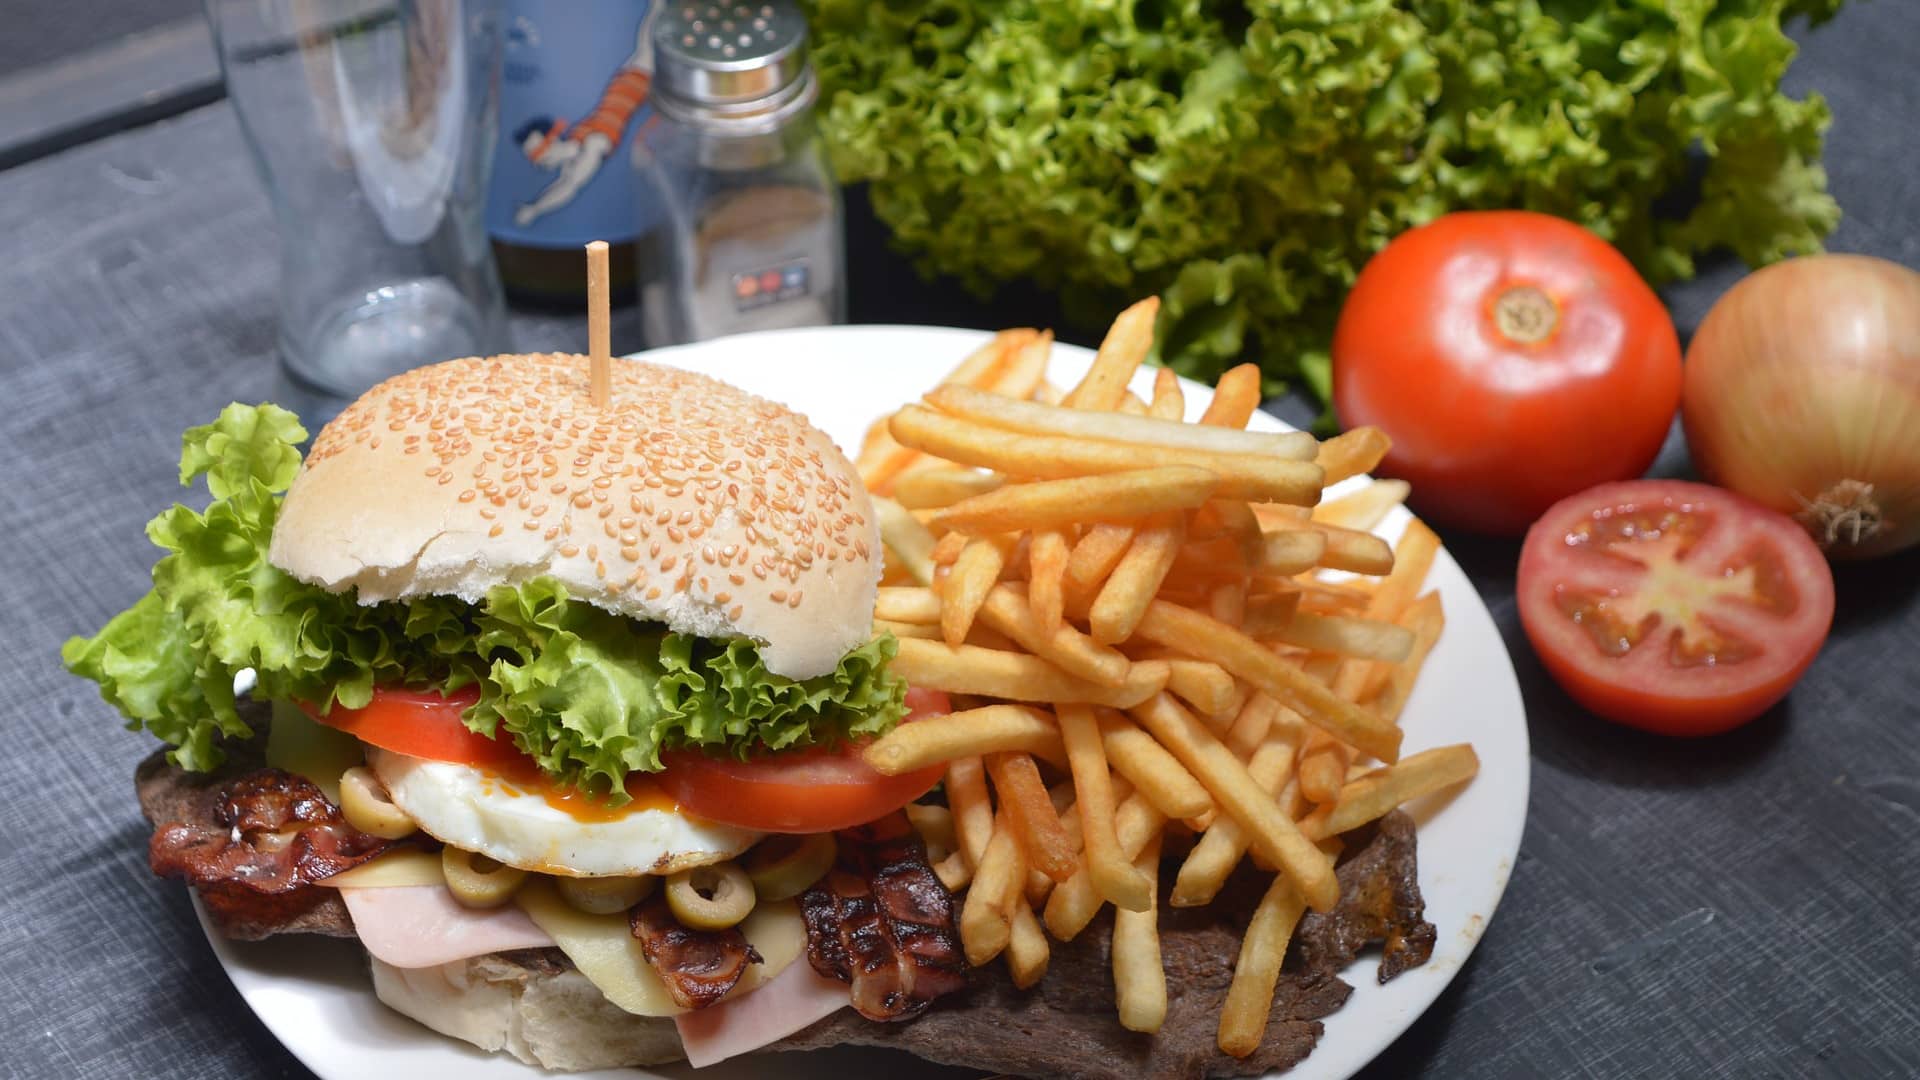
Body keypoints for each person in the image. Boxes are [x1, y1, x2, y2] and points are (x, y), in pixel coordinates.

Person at [510, 7, 660, 227]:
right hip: (629, 90)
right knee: (647, 45)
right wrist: (535, 209)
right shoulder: (579, 153)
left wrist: (535, 209)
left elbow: (570, 185)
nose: (539, 160)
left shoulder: (589, 145)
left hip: (626, 87)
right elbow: (567, 186)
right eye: (535, 156)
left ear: (551, 140)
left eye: (539, 151)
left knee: (647, 43)